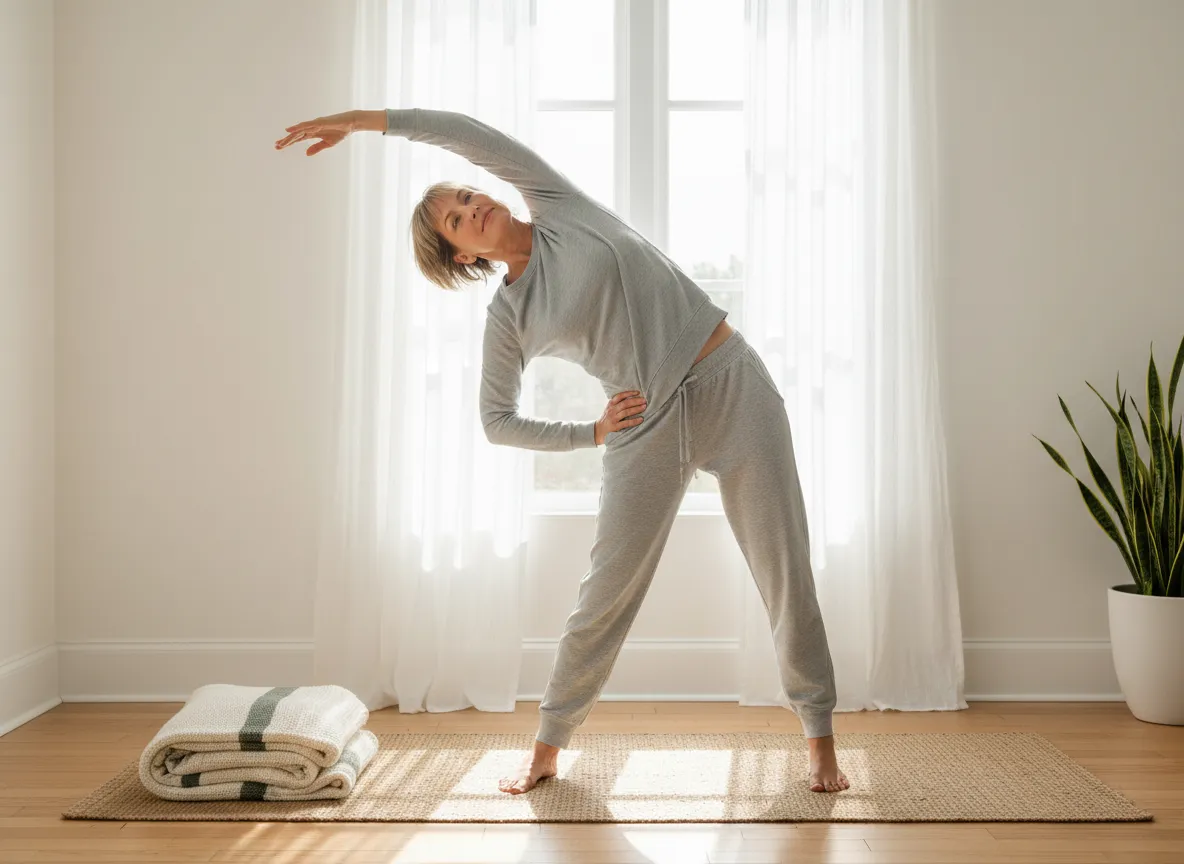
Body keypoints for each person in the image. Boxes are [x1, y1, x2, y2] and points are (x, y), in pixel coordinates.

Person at [274, 108, 850, 795]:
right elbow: (495, 420)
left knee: (785, 568)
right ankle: (547, 748)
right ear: (463, 256)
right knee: (604, 595)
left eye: (464, 196)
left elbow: (468, 134)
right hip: (644, 425)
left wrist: (368, 122)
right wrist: (592, 432)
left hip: (732, 385)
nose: (472, 206)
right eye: (456, 220)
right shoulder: (509, 316)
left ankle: (820, 740)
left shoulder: (558, 204)